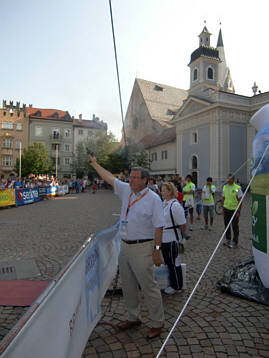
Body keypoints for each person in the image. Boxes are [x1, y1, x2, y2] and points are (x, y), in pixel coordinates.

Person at [88, 154, 165, 339]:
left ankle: (157, 322)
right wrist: (95, 163)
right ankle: (133, 316)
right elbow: (108, 177)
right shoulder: (126, 190)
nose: (130, 180)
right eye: (130, 177)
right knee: (128, 285)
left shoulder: (154, 199)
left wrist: (156, 250)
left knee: (148, 287)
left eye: (135, 177)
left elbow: (159, 226)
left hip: (143, 248)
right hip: (125, 246)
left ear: (145, 180)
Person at [161, 182, 186, 295]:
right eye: (161, 190)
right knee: (168, 262)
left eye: (164, 190)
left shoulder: (175, 205)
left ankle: (177, 286)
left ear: (170, 191)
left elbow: (182, 224)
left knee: (174, 263)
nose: (162, 192)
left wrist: (182, 239)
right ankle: (172, 282)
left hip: (172, 239)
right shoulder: (164, 204)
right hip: (164, 238)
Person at [222, 174, 243, 248]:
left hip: (234, 210)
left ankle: (235, 241)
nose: (228, 180)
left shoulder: (237, 188)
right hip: (226, 209)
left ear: (233, 180)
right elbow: (223, 198)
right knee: (226, 225)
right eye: (227, 178)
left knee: (235, 226)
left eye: (230, 179)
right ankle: (228, 239)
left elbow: (240, 199)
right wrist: (223, 208)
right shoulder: (225, 187)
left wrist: (239, 211)